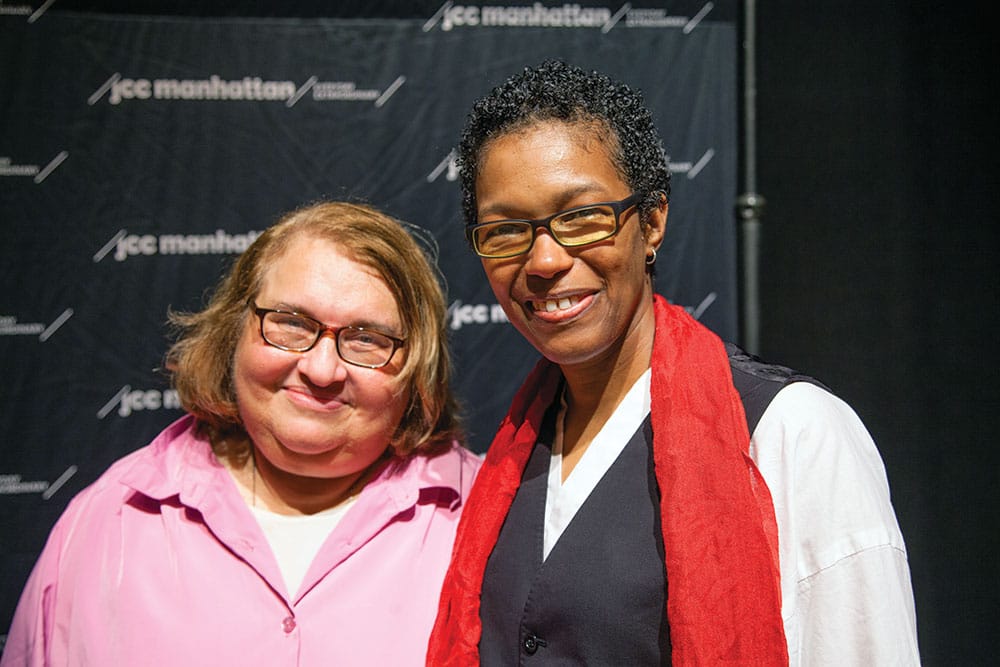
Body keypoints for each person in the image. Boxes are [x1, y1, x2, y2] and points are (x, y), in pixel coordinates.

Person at [427, 60, 919, 665]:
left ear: (652, 221)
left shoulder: (791, 432)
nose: (544, 259)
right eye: (506, 230)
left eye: (581, 217)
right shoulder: (512, 451)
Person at [1, 201, 480, 666]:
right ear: (234, 331)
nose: (321, 368)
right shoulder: (108, 522)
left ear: (419, 371)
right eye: (291, 324)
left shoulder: (490, 518)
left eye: (366, 339)